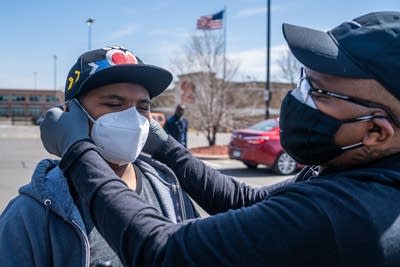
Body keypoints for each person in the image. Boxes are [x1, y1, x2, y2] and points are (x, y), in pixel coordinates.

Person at [40, 11, 400, 266]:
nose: (299, 98)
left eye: (319, 92)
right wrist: (166, 147)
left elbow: (162, 253)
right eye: (304, 82)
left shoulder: (342, 213)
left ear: (376, 131)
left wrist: (78, 152)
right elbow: (244, 201)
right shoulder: (37, 210)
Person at [0, 46, 199, 267]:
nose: (133, 119)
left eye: (143, 107)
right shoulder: (32, 214)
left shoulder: (170, 190)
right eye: (114, 104)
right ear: (69, 114)